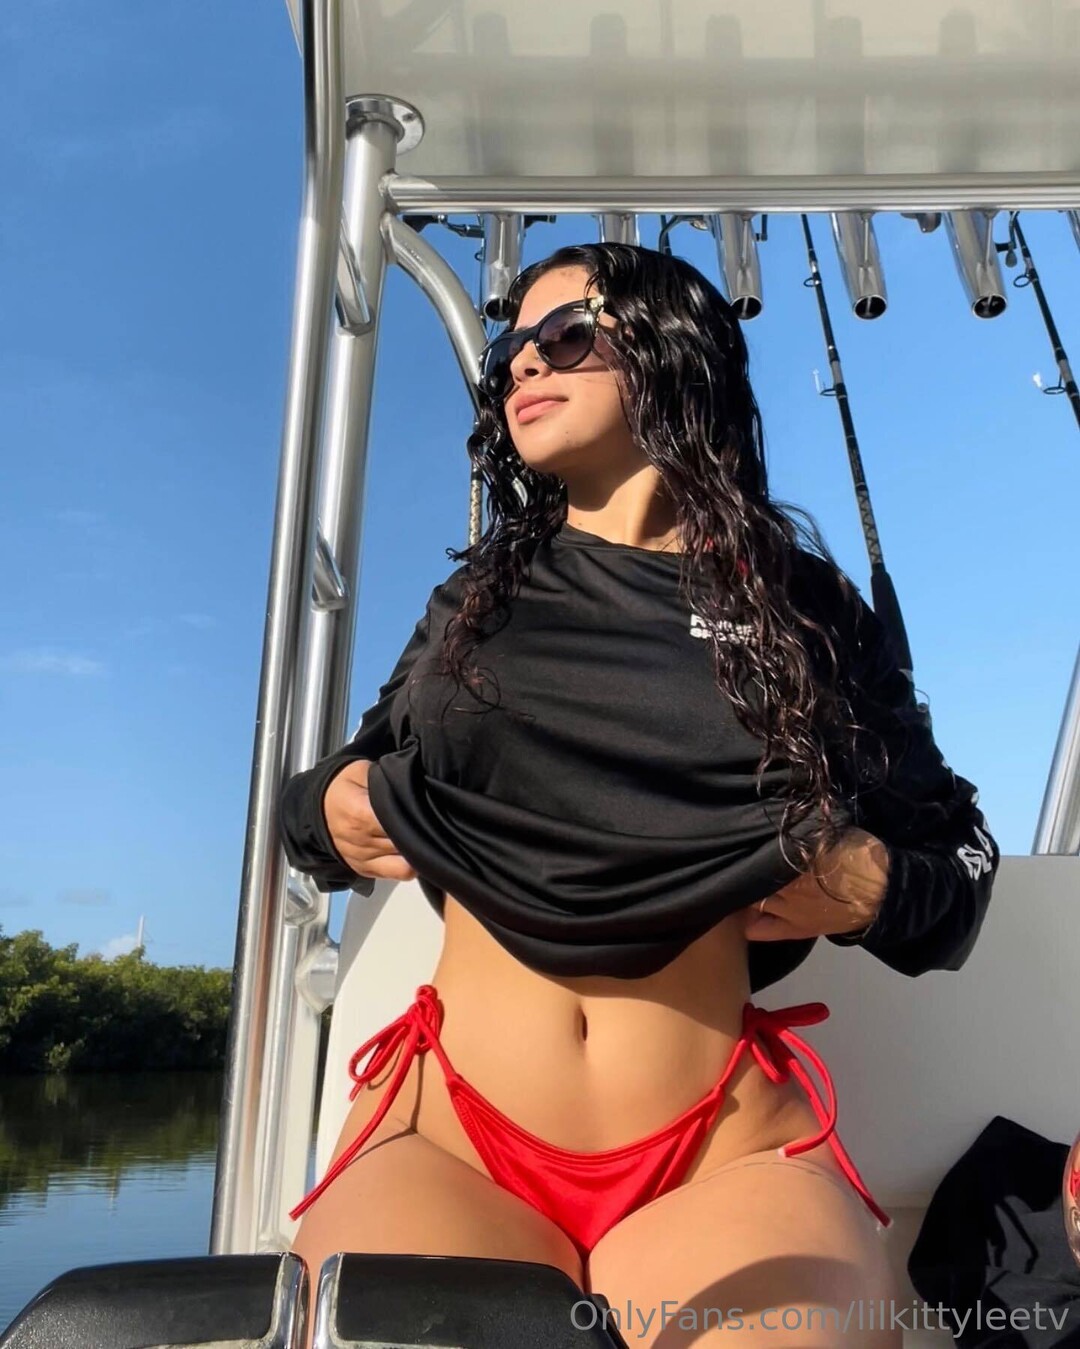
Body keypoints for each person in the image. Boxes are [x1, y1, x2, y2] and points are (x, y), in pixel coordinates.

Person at [278, 243, 998, 1347]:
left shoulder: (802, 607)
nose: (523, 365)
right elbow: (317, 806)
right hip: (454, 1137)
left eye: (565, 336)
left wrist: (871, 887)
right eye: (510, 352)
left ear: (673, 350)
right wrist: (330, 805)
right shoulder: (475, 600)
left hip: (720, 1150)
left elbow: (960, 865)